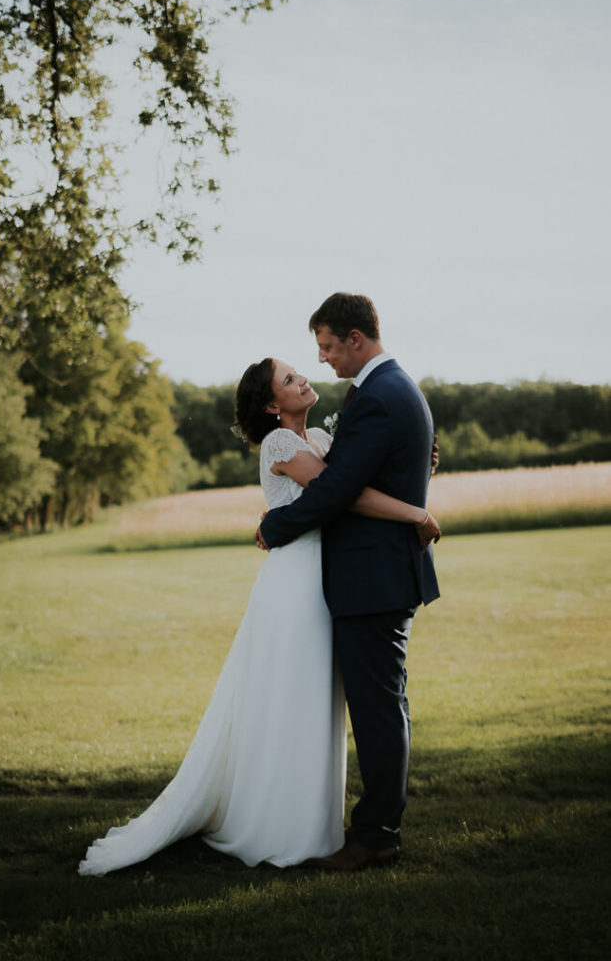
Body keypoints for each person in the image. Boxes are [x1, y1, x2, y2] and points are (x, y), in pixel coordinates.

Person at [78, 355, 439, 876]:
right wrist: (415, 513)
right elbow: (344, 494)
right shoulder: (281, 444)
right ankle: (275, 821)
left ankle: (314, 820)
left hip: (324, 579)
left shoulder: (319, 438)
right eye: (290, 379)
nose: (303, 379)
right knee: (289, 696)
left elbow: (363, 475)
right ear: (272, 405)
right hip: (294, 585)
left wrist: (414, 462)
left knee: (316, 699)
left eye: (299, 373)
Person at [258, 292, 440, 872]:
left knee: (379, 710)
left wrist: (273, 526)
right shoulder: (391, 389)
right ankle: (372, 828)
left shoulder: (381, 395)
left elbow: (339, 491)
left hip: (374, 577)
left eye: (330, 346)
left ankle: (377, 837)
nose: (325, 359)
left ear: (356, 339)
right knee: (384, 704)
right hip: (377, 574)